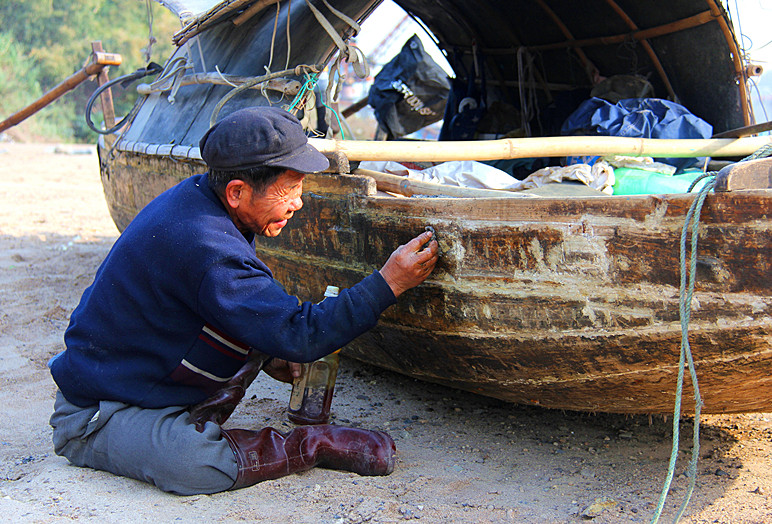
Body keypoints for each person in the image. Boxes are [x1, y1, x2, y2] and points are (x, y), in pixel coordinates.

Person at [48, 106, 439, 495]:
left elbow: (239, 308)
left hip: (152, 381)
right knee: (192, 466)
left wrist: (268, 354)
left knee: (264, 321)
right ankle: (309, 444)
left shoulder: (204, 200)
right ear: (237, 191)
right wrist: (387, 283)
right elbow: (300, 333)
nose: (298, 203)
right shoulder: (205, 243)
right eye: (288, 190)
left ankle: (194, 413)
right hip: (99, 410)